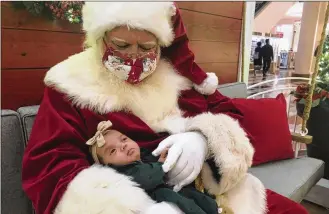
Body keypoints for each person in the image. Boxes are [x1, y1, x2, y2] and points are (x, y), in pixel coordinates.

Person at [22, 2, 308, 214]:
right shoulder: (70, 84)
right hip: (141, 197)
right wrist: (136, 208)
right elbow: (51, 165)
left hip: (211, 190)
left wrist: (203, 139)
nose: (134, 56)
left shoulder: (178, 77)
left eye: (146, 47)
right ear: (100, 39)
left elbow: (228, 113)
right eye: (121, 45)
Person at [86, 120, 219, 214]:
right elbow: (146, 177)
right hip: (158, 198)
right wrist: (160, 164)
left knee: (196, 196)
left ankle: (214, 208)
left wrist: (163, 157)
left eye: (124, 139)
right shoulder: (123, 173)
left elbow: (151, 163)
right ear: (107, 166)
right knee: (185, 203)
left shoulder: (143, 155)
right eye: (113, 151)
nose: (123, 146)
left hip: (171, 189)